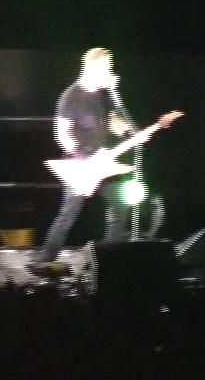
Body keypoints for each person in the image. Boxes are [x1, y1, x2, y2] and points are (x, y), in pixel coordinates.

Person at [33, 47, 144, 264]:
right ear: (92, 68)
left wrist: (131, 132)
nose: (110, 72)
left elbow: (112, 122)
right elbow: (61, 133)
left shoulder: (104, 95)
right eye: (106, 68)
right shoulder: (71, 96)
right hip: (81, 163)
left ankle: (110, 258)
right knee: (69, 213)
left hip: (103, 161)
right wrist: (80, 158)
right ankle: (45, 259)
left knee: (119, 206)